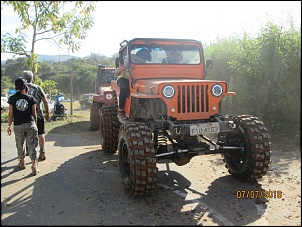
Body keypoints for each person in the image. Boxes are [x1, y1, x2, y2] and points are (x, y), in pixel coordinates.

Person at [7, 78, 39, 176]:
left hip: (18, 125)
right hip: (30, 124)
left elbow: (11, 115)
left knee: (20, 144)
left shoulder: (12, 99)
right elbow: (34, 114)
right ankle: (34, 166)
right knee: (32, 144)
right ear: (25, 87)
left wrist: (9, 126)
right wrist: (35, 124)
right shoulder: (30, 98)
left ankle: (22, 162)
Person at [22, 70, 50, 160]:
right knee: (41, 133)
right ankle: (42, 151)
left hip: (26, 115)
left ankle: (27, 150)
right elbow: (45, 100)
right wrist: (47, 113)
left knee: (26, 133)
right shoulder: (37, 88)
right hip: (38, 115)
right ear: (32, 78)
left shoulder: (22, 88)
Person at [115, 49, 151, 118]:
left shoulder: (142, 63)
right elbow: (117, 73)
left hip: (137, 81)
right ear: (141, 57)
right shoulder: (128, 60)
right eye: (144, 59)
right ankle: (121, 108)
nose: (144, 62)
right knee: (124, 87)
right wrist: (123, 68)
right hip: (124, 79)